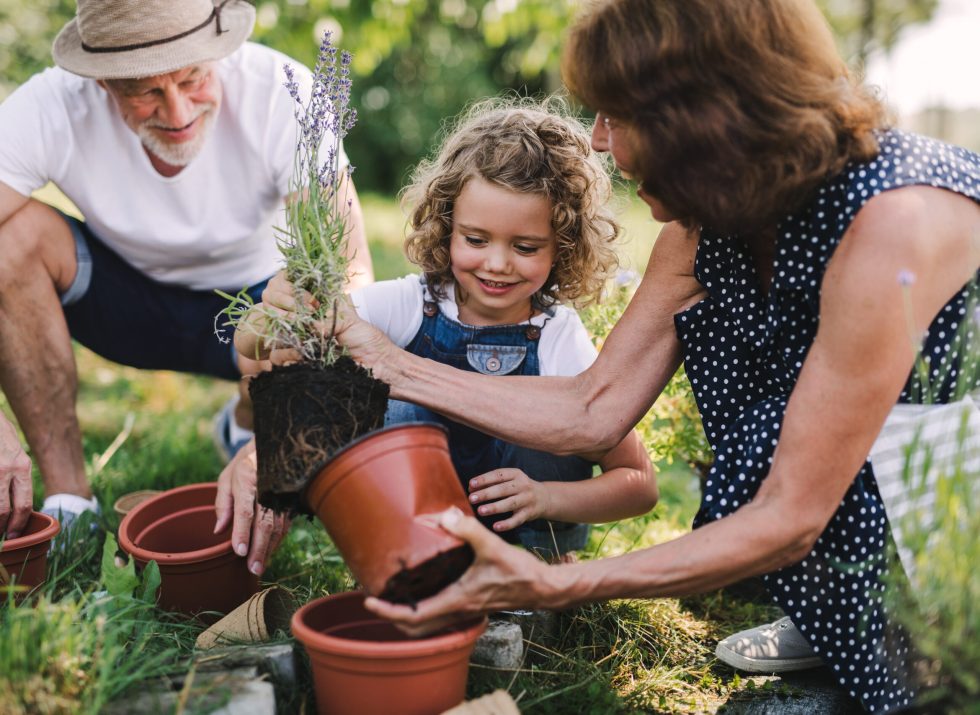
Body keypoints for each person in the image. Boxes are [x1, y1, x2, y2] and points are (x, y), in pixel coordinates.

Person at [259, 1, 978, 712]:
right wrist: (379, 362)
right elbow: (595, 407)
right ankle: (839, 625)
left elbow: (792, 512)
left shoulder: (892, 228)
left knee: (936, 683)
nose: (599, 142)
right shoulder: (707, 227)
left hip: (951, 505)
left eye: (617, 115)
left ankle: (917, 637)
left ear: (703, 117)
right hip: (857, 484)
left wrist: (556, 582)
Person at [226, 100, 658, 571]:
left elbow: (639, 482)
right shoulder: (410, 304)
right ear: (447, 227)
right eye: (475, 240)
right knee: (391, 403)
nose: (496, 263)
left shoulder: (557, 337)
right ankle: (407, 556)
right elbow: (254, 346)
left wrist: (548, 497)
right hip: (416, 528)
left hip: (526, 537)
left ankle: (542, 561)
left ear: (564, 247)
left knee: (555, 417)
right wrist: (274, 312)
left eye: (525, 247)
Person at [0, 0, 373, 540]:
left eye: (193, 78)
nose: (177, 113)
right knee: (12, 240)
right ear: (102, 82)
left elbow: (352, 275)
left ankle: (244, 426)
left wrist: (272, 440)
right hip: (120, 300)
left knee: (311, 303)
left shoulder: (280, 90)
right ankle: (70, 504)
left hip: (252, 307)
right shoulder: (52, 104)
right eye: (145, 92)